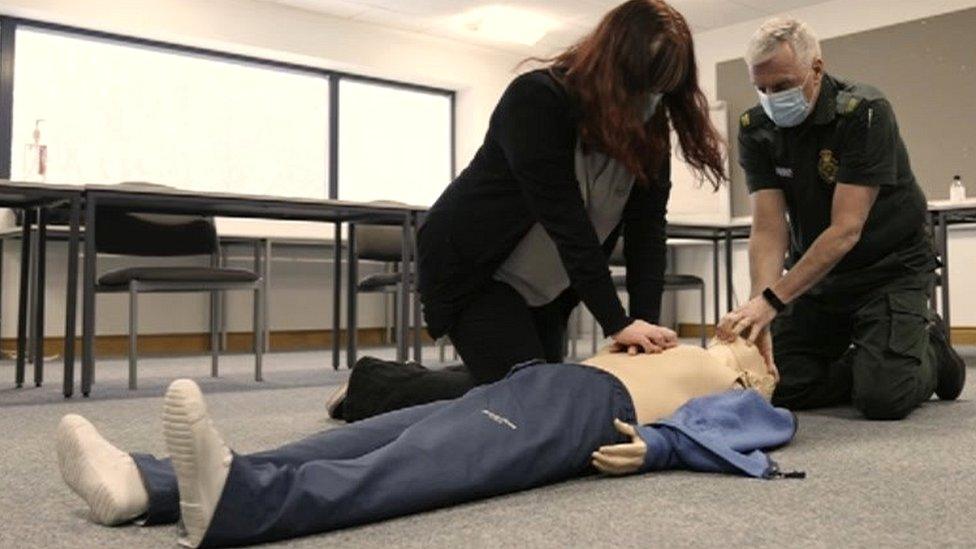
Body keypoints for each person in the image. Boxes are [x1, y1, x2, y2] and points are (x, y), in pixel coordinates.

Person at [329, 0, 728, 420]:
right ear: (609, 67)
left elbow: (647, 231)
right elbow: (566, 220)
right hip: (475, 271)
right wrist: (615, 322)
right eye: (641, 85)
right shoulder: (537, 99)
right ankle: (371, 384)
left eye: (660, 89)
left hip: (546, 287)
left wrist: (645, 330)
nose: (649, 101)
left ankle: (478, 371)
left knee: (536, 389)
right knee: (531, 400)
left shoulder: (650, 129)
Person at [57, 338, 795, 547]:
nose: (746, 340)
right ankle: (143, 482)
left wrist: (663, 447)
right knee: (359, 439)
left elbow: (742, 436)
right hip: (539, 382)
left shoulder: (752, 393)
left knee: (413, 466)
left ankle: (245, 506)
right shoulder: (701, 347)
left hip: (585, 409)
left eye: (758, 348)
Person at [716, 17, 966, 420]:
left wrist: (773, 301)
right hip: (818, 277)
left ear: (816, 68)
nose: (770, 98)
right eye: (760, 89)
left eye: (782, 86)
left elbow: (846, 229)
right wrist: (759, 309)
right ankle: (875, 354)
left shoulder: (863, 113)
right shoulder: (756, 129)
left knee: (882, 399)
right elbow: (768, 227)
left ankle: (930, 351)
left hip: (888, 268)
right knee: (776, 381)